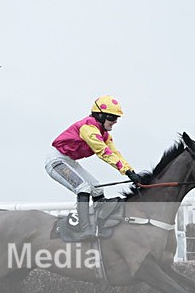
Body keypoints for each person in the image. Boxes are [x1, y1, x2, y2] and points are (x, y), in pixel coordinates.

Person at [45, 95, 142, 239]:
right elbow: (103, 152)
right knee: (83, 188)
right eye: (111, 117)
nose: (115, 121)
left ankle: (99, 221)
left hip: (69, 161)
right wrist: (126, 172)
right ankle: (84, 229)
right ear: (100, 115)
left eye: (117, 118)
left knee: (97, 187)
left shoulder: (105, 134)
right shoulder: (88, 128)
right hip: (56, 161)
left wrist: (131, 171)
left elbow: (115, 153)